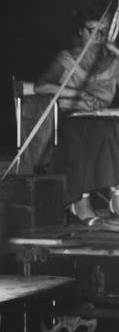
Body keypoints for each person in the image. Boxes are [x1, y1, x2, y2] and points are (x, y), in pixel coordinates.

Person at [35, 11, 119, 226]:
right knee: (96, 130)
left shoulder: (113, 61)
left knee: (111, 128)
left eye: (103, 31)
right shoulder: (68, 58)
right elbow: (41, 86)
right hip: (70, 118)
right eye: (93, 30)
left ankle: (116, 194)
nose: (98, 36)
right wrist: (78, 94)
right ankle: (80, 202)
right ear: (81, 31)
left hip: (103, 118)